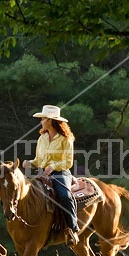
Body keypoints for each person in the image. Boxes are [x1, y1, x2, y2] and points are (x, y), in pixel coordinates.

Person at [22, 105, 79, 247]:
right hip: (42, 174)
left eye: (43, 119)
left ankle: (72, 229)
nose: (41, 121)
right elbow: (39, 160)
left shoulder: (66, 139)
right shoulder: (42, 138)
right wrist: (29, 163)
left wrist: (53, 166)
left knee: (65, 196)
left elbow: (68, 162)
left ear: (51, 120)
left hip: (60, 174)